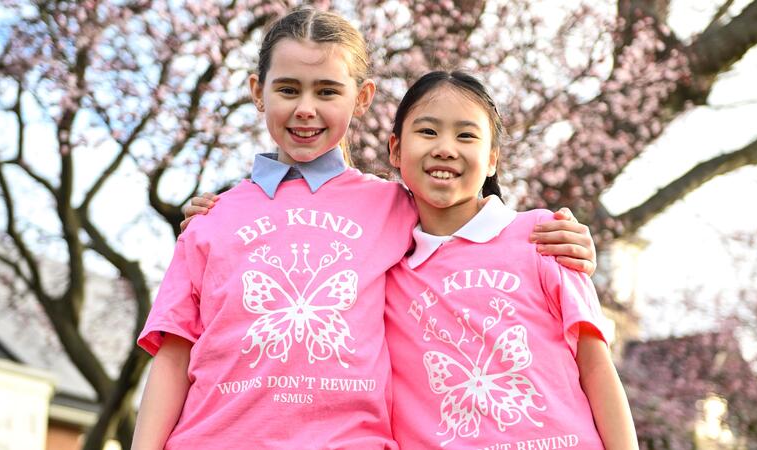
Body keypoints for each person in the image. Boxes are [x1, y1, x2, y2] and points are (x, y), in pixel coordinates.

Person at [137, 6, 597, 450]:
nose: (305, 108)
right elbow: (173, 356)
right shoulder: (212, 219)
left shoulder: (393, 204)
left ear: (362, 98)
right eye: (288, 89)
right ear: (258, 91)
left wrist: (568, 241)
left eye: (327, 91)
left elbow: (474, 225)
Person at [383, 71, 638, 449]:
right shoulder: (385, 265)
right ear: (396, 150)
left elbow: (596, 365)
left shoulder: (543, 236)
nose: (445, 148)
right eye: (428, 132)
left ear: (492, 160)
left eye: (466, 135)